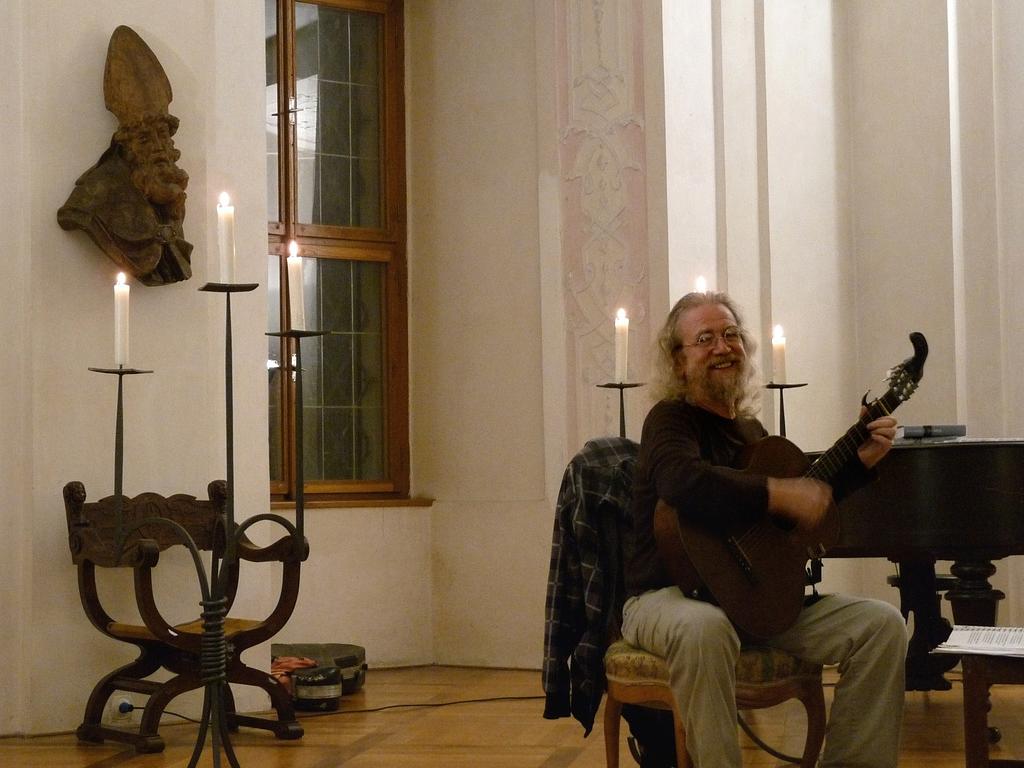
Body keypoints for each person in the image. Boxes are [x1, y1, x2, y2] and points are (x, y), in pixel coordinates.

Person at [622, 290, 907, 767]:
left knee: (881, 626)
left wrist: (858, 465)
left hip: (750, 602)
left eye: (731, 335)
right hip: (664, 597)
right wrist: (775, 491)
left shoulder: (752, 431)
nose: (722, 347)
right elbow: (681, 482)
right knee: (705, 628)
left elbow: (792, 517)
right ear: (678, 360)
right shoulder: (670, 420)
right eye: (705, 338)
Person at [58, 26, 192, 286]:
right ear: (127, 145)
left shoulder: (169, 189)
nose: (159, 147)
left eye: (163, 135)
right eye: (145, 138)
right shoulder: (94, 196)